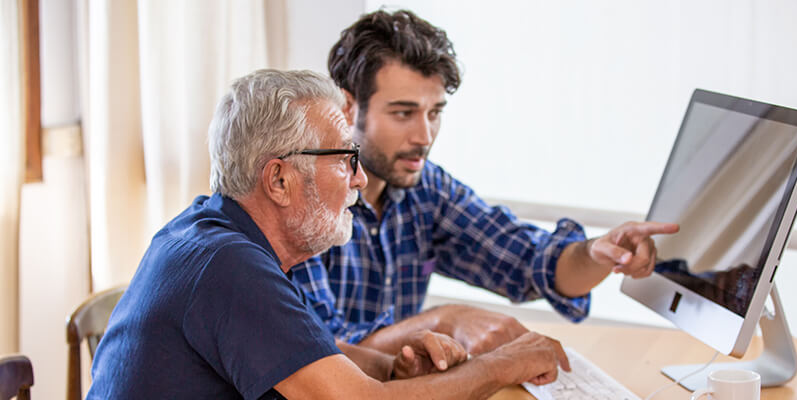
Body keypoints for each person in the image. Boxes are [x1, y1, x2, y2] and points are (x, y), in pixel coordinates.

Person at [87, 69, 570, 399]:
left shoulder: (217, 235)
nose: (359, 180)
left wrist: (390, 367)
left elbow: (305, 353)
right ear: (279, 180)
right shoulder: (227, 267)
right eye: (344, 160)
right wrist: (507, 363)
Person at [290, 9, 680, 356]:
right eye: (403, 113)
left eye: (435, 112)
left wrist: (597, 252)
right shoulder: (302, 202)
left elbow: (530, 262)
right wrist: (443, 321)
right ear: (347, 106)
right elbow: (321, 352)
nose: (425, 136)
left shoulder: (425, 191)